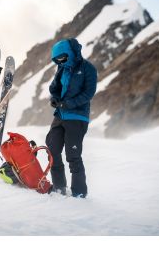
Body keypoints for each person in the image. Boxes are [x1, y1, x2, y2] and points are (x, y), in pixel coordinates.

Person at [45, 38, 97, 198]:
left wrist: (69, 104)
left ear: (71, 53)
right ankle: (59, 188)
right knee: (52, 148)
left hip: (77, 117)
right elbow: (54, 87)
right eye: (58, 59)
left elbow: (88, 93)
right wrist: (54, 98)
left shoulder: (88, 68)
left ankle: (79, 193)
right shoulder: (62, 68)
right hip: (60, 115)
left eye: (63, 57)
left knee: (72, 155)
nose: (60, 61)